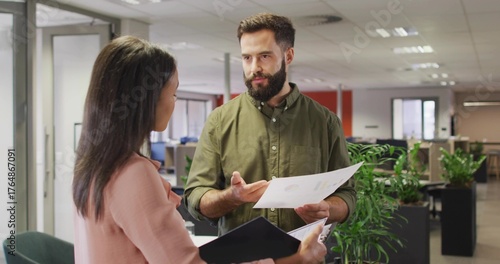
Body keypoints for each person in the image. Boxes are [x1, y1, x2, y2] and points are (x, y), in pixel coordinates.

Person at [72, 35, 326, 264]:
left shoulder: (93, 167)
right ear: (149, 100)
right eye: (173, 93)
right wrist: (298, 260)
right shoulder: (133, 175)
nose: (174, 102)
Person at [184, 13, 356, 236]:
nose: (254, 67)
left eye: (264, 56)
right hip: (240, 258)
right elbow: (196, 197)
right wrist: (231, 197)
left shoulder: (325, 122)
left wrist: (329, 209)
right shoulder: (219, 121)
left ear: (289, 55)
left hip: (303, 256)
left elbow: (347, 195)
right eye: (247, 58)